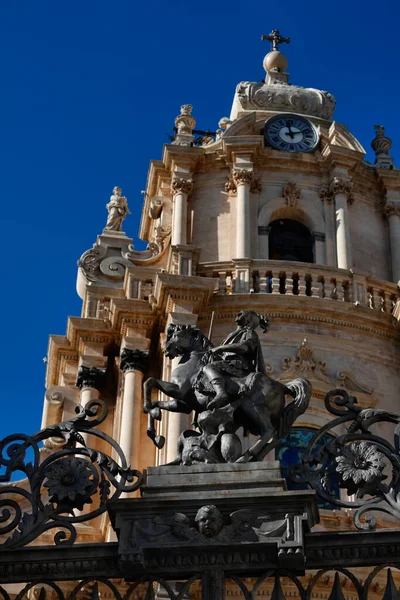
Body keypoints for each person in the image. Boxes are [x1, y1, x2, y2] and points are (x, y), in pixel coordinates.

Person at [202, 310, 269, 410]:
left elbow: (244, 347)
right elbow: (224, 355)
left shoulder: (250, 333)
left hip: (237, 365)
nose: (238, 314)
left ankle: (221, 393)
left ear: (248, 320)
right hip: (227, 364)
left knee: (209, 367)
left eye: (242, 313)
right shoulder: (232, 334)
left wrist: (220, 348)